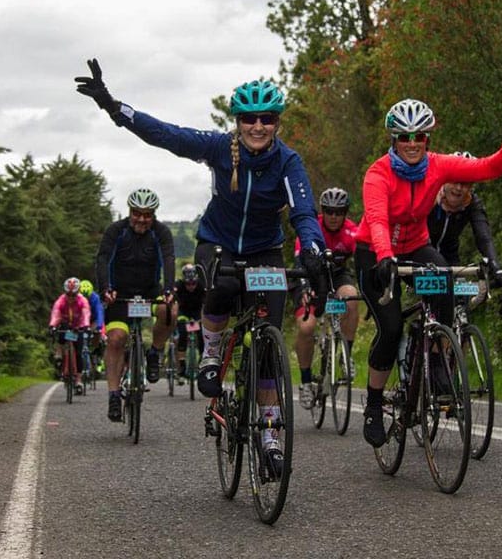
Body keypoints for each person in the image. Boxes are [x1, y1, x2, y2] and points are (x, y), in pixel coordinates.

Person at [76, 59, 327, 472]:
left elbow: (303, 212)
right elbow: (166, 135)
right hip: (219, 243)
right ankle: (211, 352)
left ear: (277, 123)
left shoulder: (288, 162)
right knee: (224, 285)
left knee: (266, 356)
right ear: (239, 121)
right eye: (249, 119)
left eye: (267, 119)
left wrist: (313, 248)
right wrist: (112, 106)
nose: (258, 127)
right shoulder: (217, 148)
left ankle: (269, 434)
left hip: (266, 250)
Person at [354, 99, 502, 448]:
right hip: (374, 252)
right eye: (404, 136)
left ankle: (436, 359)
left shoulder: (438, 166)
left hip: (417, 245)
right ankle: (374, 404)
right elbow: (376, 219)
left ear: (427, 139)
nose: (412, 142)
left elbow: (488, 168)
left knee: (444, 283)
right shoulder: (378, 173)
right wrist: (386, 256)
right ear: (394, 140)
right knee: (390, 329)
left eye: (418, 136)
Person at [94, 188, 177, 422]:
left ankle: (155, 352)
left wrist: (169, 288)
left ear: (154, 214)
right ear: (129, 212)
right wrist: (105, 289)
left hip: (149, 291)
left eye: (147, 214)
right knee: (116, 339)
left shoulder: (160, 233)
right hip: (120, 294)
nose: (141, 219)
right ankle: (113, 395)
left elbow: (169, 259)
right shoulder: (116, 231)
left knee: (169, 310)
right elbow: (102, 259)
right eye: (137, 213)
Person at [292, 187, 361, 409]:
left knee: (351, 298)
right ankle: (304, 382)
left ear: (345, 212)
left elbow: (364, 262)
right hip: (309, 277)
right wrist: (304, 289)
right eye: (329, 211)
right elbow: (298, 261)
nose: (334, 216)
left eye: (339, 212)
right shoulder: (311, 228)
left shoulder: (352, 232)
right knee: (306, 327)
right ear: (322, 211)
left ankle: (345, 356)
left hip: (337, 275)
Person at [427, 151, 502, 283]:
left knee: (459, 295)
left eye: (465, 183)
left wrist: (494, 265)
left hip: (449, 256)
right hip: (419, 252)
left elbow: (483, 237)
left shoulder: (472, 203)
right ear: (444, 179)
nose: (458, 188)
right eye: (454, 181)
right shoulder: (430, 193)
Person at [48, 277, 92, 392]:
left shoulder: (82, 300)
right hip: (65, 325)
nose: (71, 298)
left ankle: (78, 380)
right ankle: (59, 355)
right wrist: (52, 325)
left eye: (74, 295)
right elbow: (56, 313)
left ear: (77, 293)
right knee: (60, 335)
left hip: (78, 326)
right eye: (69, 294)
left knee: (79, 353)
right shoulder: (61, 300)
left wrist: (86, 326)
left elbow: (86, 313)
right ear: (65, 292)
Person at [173, 263, 205, 384]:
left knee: (201, 333)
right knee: (182, 332)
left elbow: (205, 304)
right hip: (183, 312)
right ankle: (181, 364)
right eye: (188, 284)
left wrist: (203, 318)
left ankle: (203, 359)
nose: (191, 287)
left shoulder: (201, 286)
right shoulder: (179, 285)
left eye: (193, 284)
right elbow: (175, 304)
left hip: (197, 313)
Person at [79, 278, 106, 377]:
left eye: (88, 296)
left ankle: (95, 350)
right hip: (81, 320)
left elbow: (99, 312)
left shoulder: (95, 297)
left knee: (97, 333)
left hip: (93, 320)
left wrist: (99, 326)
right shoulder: (77, 297)